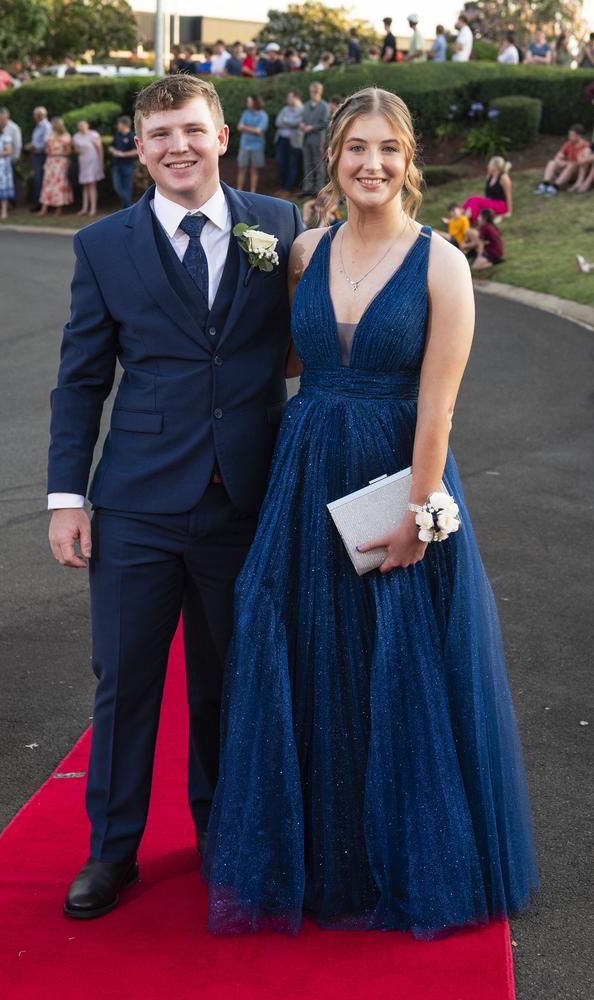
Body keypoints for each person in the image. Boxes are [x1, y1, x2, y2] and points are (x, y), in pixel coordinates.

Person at [202, 84, 538, 937]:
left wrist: (419, 518)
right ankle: (316, 856)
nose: (371, 164)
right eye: (356, 148)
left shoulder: (442, 263)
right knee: (311, 656)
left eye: (388, 149)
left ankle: (403, 857)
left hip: (398, 475)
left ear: (409, 161)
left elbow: (439, 407)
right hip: (305, 473)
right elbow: (280, 360)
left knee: (398, 667)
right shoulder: (306, 251)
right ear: (334, 157)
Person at [47, 73, 303, 920]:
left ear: (222, 134)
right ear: (139, 145)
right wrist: (65, 497)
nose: (177, 148)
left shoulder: (281, 227)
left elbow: (315, 339)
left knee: (228, 681)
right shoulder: (102, 246)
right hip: (137, 506)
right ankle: (111, 852)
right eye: (159, 134)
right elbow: (81, 381)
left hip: (245, 499)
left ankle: (222, 837)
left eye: (191, 130)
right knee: (124, 680)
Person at [535, 125, 588, 194]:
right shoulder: (568, 144)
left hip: (576, 173)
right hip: (567, 168)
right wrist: (561, 162)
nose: (569, 137)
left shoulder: (586, 146)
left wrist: (569, 164)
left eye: (572, 135)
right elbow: (558, 156)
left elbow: (584, 163)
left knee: (572, 165)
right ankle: (545, 184)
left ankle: (555, 187)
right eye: (569, 135)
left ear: (579, 136)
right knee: (552, 163)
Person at [37, 116, 73, 216]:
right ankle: (44, 207)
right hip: (50, 161)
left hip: (60, 162)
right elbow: (47, 148)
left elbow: (68, 151)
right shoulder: (50, 135)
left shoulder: (65, 136)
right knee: (47, 183)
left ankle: (59, 207)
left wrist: (58, 154)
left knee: (59, 183)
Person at [300, 81, 330, 195]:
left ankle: (318, 189)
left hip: (318, 139)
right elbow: (302, 119)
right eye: (312, 92)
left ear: (320, 92)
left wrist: (311, 128)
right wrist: (302, 125)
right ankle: (308, 188)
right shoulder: (306, 105)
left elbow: (326, 123)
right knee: (307, 163)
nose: (314, 94)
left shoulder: (324, 106)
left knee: (318, 164)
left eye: (316, 92)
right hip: (306, 138)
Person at [462, 156, 513, 220]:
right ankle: (458, 216)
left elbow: (508, 196)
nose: (487, 166)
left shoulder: (504, 178)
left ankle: (463, 221)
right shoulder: (490, 177)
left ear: (495, 167)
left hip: (501, 205)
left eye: (489, 165)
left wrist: (509, 212)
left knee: (475, 199)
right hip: (490, 203)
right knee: (471, 200)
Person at [72, 119, 104, 217]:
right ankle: (84, 208)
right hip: (83, 162)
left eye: (83, 125)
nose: (82, 127)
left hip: (93, 161)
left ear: (87, 125)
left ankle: (93, 208)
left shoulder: (93, 134)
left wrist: (101, 162)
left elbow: (99, 149)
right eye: (80, 125)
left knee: (91, 185)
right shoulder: (76, 136)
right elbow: (75, 149)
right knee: (85, 185)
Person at [274, 90, 304, 196]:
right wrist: (291, 123)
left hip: (294, 142)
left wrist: (286, 121)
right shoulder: (285, 109)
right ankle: (283, 187)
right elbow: (278, 122)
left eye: (289, 97)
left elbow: (299, 123)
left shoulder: (303, 110)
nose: (287, 99)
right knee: (280, 162)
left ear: (295, 97)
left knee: (292, 164)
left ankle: (287, 189)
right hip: (282, 140)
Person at [236, 95, 268, 194]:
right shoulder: (246, 113)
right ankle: (238, 191)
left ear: (255, 103)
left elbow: (259, 130)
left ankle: (252, 192)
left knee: (254, 170)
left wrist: (245, 128)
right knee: (242, 169)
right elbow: (239, 127)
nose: (247, 103)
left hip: (257, 147)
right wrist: (254, 130)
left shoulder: (263, 115)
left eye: (249, 101)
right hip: (244, 145)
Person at [24, 106, 51, 210]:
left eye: (35, 114)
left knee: (40, 179)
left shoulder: (46, 126)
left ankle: (41, 204)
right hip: (36, 155)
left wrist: (34, 146)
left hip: (42, 155)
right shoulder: (38, 126)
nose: (33, 117)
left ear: (39, 115)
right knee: (37, 179)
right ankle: (38, 203)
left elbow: (46, 143)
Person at [109, 114, 138, 209]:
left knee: (127, 188)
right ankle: (130, 206)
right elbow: (111, 146)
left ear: (124, 124)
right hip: (117, 165)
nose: (118, 126)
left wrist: (123, 154)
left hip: (128, 165)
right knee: (117, 187)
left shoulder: (132, 136)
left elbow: (136, 151)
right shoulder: (117, 134)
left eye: (119, 124)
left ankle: (125, 210)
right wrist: (113, 150)